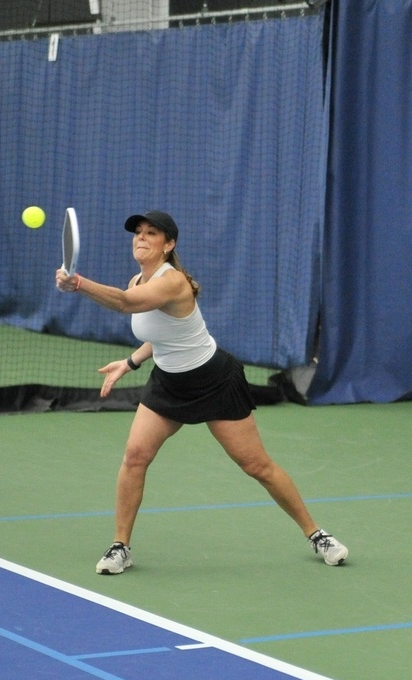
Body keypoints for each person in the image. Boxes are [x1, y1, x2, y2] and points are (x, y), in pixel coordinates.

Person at [55, 210, 348, 574]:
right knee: (134, 457)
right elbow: (158, 335)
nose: (141, 238)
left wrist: (78, 283)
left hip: (213, 381)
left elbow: (127, 305)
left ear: (169, 245)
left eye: (151, 233)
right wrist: (130, 362)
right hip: (169, 383)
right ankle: (121, 547)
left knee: (257, 465)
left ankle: (316, 534)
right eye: (138, 233)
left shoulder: (171, 282)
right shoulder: (137, 280)